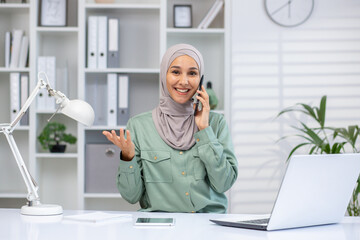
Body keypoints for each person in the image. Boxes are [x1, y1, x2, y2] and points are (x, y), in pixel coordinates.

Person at [103, 44, 238, 213]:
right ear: (163, 75)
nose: (184, 81)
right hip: (158, 226)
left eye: (192, 73)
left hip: (206, 224)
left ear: (201, 79)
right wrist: (127, 157)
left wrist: (205, 130)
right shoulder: (138, 126)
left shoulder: (216, 123)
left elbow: (223, 184)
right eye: (175, 72)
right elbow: (131, 196)